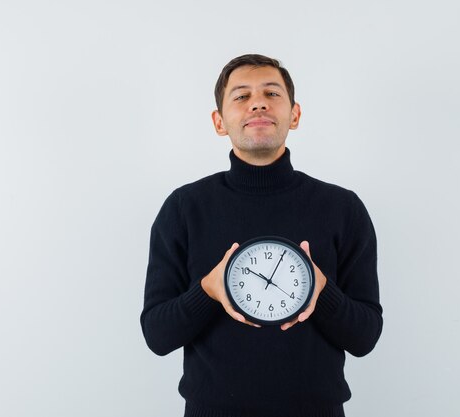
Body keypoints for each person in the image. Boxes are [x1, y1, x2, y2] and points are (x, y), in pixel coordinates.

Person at [140, 54, 383, 417]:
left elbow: (365, 338)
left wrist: (321, 291)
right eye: (241, 96)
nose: (258, 102)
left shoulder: (342, 208)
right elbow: (158, 336)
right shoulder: (184, 208)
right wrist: (208, 289)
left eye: (272, 92)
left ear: (295, 115)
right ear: (219, 122)